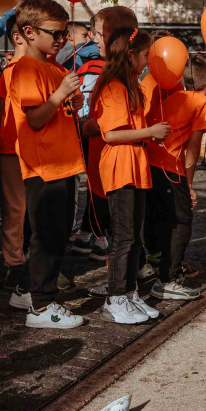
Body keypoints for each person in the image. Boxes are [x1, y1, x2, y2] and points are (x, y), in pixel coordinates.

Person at [7, 0, 87, 328]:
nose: (62, 39)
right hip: (44, 166)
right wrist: (59, 96)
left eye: (64, 33)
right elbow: (35, 119)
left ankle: (29, 292)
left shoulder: (56, 68)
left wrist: (71, 101)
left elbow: (59, 113)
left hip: (63, 163)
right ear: (29, 32)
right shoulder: (27, 68)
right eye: (55, 33)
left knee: (58, 233)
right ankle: (41, 307)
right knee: (47, 236)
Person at [91, 26, 168, 323]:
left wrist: (149, 135)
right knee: (124, 237)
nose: (148, 61)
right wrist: (149, 132)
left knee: (135, 237)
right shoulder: (113, 86)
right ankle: (115, 298)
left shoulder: (130, 85)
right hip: (120, 164)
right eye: (146, 55)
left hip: (135, 162)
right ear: (131, 54)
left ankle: (130, 292)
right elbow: (111, 134)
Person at [145, 55, 206, 300]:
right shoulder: (202, 103)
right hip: (169, 167)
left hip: (150, 163)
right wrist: (189, 185)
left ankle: (160, 267)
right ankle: (168, 280)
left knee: (162, 219)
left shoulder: (175, 96)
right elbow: (193, 149)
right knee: (181, 222)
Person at [74, 7, 139, 263]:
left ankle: (93, 236)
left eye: (102, 35)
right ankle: (98, 237)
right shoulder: (103, 73)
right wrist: (86, 125)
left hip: (114, 154)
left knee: (107, 200)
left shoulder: (124, 74)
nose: (97, 40)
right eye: (96, 34)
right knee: (100, 195)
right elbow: (104, 127)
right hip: (105, 151)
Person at [0, 15, 29, 303]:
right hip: (12, 147)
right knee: (15, 208)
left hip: (37, 148)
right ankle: (14, 264)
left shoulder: (46, 68)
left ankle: (28, 259)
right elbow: (0, 108)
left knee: (31, 207)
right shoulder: (12, 70)